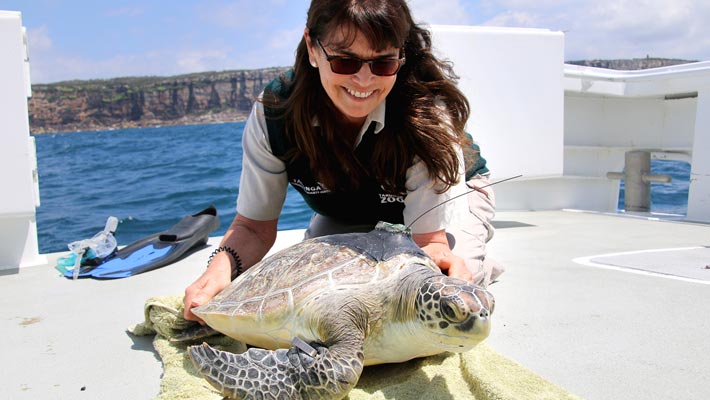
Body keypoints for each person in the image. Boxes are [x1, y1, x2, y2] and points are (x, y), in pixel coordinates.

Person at [184, 0, 501, 322]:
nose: (364, 81)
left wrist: (442, 257)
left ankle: (479, 263)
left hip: (442, 209)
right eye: (345, 61)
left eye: (383, 63)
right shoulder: (275, 113)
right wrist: (218, 271)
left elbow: (428, 242)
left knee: (438, 301)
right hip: (351, 210)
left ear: (400, 55)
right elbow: (253, 228)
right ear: (312, 47)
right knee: (314, 294)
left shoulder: (426, 113)